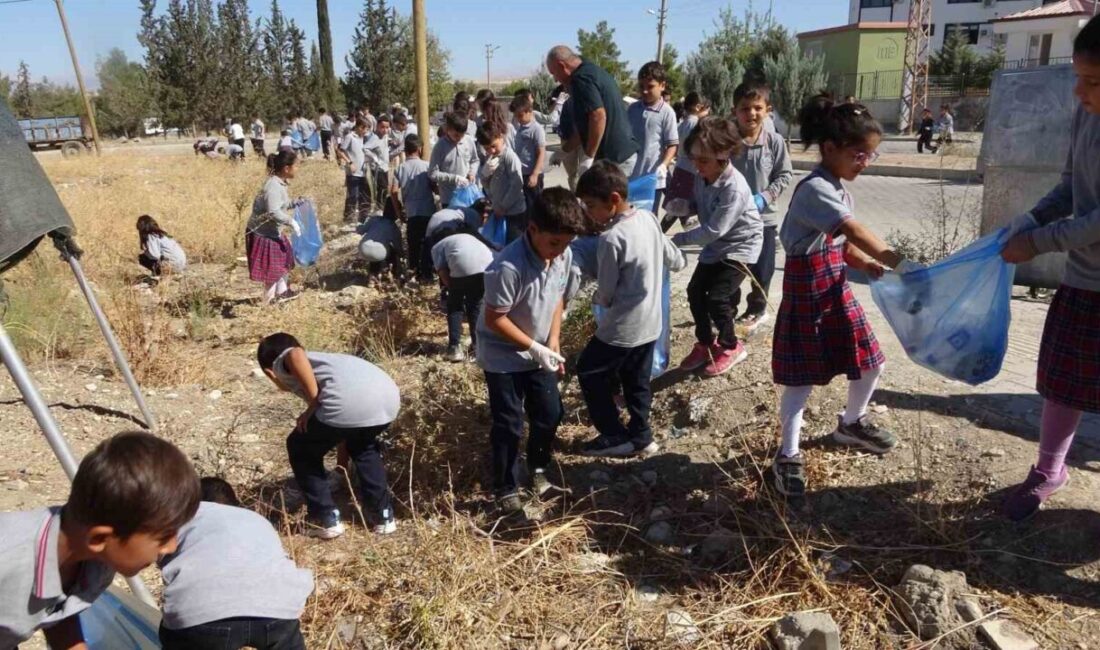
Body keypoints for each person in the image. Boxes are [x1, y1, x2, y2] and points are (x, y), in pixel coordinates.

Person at [770, 95, 914, 498]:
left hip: (834, 288)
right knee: (801, 381)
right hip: (808, 294)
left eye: (871, 154)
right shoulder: (816, 188)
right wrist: (900, 262)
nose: (866, 162)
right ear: (830, 149)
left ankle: (851, 423)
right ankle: (788, 455)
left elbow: (837, 244)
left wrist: (864, 265)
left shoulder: (837, 187)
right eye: (860, 154)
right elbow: (851, 231)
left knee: (870, 362)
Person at [998, 16, 1100, 522]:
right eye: (1078, 76)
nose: (1079, 90)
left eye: (1094, 80)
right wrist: (1033, 218)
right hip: (1085, 279)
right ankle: (1049, 469)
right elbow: (1070, 184)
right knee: (1064, 380)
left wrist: (1036, 243)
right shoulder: (1087, 114)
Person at [0, 431, 200, 650]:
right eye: (163, 536)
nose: (172, 546)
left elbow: (57, 612)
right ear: (100, 538)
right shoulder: (9, 562)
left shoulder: (97, 560)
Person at [476, 188, 586, 514]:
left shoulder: (561, 255)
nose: (560, 251)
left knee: (551, 413)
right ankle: (506, 487)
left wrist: (552, 341)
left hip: (538, 348)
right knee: (509, 422)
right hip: (502, 356)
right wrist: (533, 346)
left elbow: (557, 298)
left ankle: (537, 469)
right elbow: (495, 319)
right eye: (554, 243)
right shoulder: (506, 267)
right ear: (533, 229)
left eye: (566, 244)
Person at [575, 161, 686, 458]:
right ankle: (642, 435)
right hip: (651, 322)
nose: (587, 212)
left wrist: (598, 299)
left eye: (590, 205)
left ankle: (613, 434)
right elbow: (670, 255)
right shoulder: (648, 218)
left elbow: (608, 291)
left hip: (623, 327)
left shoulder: (611, 238)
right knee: (636, 379)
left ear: (613, 200)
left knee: (588, 371)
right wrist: (679, 262)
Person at [258, 332, 401, 538]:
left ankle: (324, 518)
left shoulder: (284, 361)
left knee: (300, 447)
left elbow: (295, 354)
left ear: (270, 372)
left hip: (349, 403)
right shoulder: (327, 363)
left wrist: (312, 405)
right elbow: (344, 427)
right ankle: (384, 516)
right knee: (363, 447)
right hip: (387, 401)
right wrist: (341, 470)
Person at [157, 478, 313, 650]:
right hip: (278, 609)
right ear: (235, 503)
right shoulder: (257, 519)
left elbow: (157, 555)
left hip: (201, 614)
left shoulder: (184, 517)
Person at [667, 116, 762, 377]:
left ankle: (731, 347)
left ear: (724, 156)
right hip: (716, 245)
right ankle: (706, 343)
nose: (697, 166)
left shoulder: (735, 188)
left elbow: (713, 230)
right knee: (695, 290)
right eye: (694, 159)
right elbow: (699, 205)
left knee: (718, 297)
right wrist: (681, 207)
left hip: (741, 245)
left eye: (704, 160)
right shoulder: (702, 175)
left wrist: (676, 241)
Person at [731, 81, 794, 334]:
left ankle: (757, 308)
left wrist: (765, 197)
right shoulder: (728, 141)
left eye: (757, 108)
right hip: (732, 220)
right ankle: (727, 308)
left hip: (764, 219)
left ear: (768, 110)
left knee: (763, 268)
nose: (751, 114)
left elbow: (785, 175)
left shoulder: (775, 142)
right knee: (732, 266)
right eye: (745, 108)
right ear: (734, 111)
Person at [546, 45, 640, 178]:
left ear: (562, 66)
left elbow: (598, 116)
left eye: (553, 73)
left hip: (615, 160)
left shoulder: (581, 80)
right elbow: (585, 127)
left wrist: (589, 156)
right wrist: (564, 151)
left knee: (604, 198)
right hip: (619, 157)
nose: (555, 80)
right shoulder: (590, 70)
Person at [247, 151, 301, 304]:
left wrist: (296, 202)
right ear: (286, 168)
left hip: (272, 231)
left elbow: (282, 204)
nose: (297, 168)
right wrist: (291, 221)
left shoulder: (279, 183)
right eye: (296, 165)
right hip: (263, 233)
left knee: (284, 260)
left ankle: (282, 293)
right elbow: (273, 212)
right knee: (272, 268)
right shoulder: (273, 186)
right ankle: (268, 301)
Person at [432, 230, 494, 362]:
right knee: (475, 306)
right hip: (487, 266)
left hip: (463, 265)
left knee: (455, 307)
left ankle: (454, 348)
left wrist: (454, 290)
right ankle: (477, 348)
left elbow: (442, 273)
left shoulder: (437, 247)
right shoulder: (468, 238)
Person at [627, 61, 679, 214]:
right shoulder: (632, 109)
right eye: (641, 86)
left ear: (662, 85)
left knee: (647, 219)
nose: (644, 91)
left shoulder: (667, 112)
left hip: (651, 180)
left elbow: (672, 145)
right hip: (630, 177)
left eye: (650, 87)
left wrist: (663, 165)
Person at [662, 91, 711, 231]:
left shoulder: (684, 123)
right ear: (698, 107)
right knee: (679, 206)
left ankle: (681, 225)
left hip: (682, 167)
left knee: (679, 206)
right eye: (706, 109)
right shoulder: (694, 123)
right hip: (690, 170)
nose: (708, 113)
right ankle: (660, 232)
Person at [393, 133, 436, 282]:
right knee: (427, 242)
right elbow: (435, 188)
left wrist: (399, 211)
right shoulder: (427, 166)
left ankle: (414, 272)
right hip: (428, 211)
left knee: (413, 244)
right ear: (419, 148)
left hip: (411, 213)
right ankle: (428, 273)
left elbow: (393, 191)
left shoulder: (400, 169)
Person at [477, 120, 528, 243]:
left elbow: (517, 184)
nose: (491, 151)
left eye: (494, 146)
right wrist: (484, 174)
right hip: (498, 210)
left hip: (514, 212)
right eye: (487, 148)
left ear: (501, 137)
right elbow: (487, 185)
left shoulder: (509, 157)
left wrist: (503, 206)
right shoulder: (490, 158)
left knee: (513, 244)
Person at [429, 111, 480, 207]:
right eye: (456, 135)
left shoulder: (468, 141)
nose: (459, 138)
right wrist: (454, 178)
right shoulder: (440, 146)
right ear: (448, 129)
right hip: (449, 198)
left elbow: (475, 160)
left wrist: (472, 173)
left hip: (468, 196)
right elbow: (433, 173)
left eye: (462, 135)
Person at [510, 90, 547, 207]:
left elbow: (541, 152)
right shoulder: (520, 128)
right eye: (516, 116)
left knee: (534, 205)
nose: (518, 118)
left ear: (529, 111)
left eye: (520, 115)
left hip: (532, 175)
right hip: (522, 174)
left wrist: (535, 174)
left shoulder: (536, 129)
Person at [338, 118, 369, 222]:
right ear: (359, 127)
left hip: (363, 172)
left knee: (363, 195)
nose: (366, 132)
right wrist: (350, 162)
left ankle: (362, 218)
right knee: (353, 196)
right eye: (365, 129)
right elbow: (341, 151)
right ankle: (348, 218)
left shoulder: (364, 138)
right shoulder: (350, 137)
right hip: (353, 172)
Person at [358, 211, 404, 281]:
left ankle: (372, 276)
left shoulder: (374, 219)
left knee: (374, 251)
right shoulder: (393, 227)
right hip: (377, 252)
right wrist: (402, 255)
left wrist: (358, 225)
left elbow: (361, 231)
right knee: (389, 252)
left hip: (362, 248)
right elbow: (398, 247)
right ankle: (392, 274)